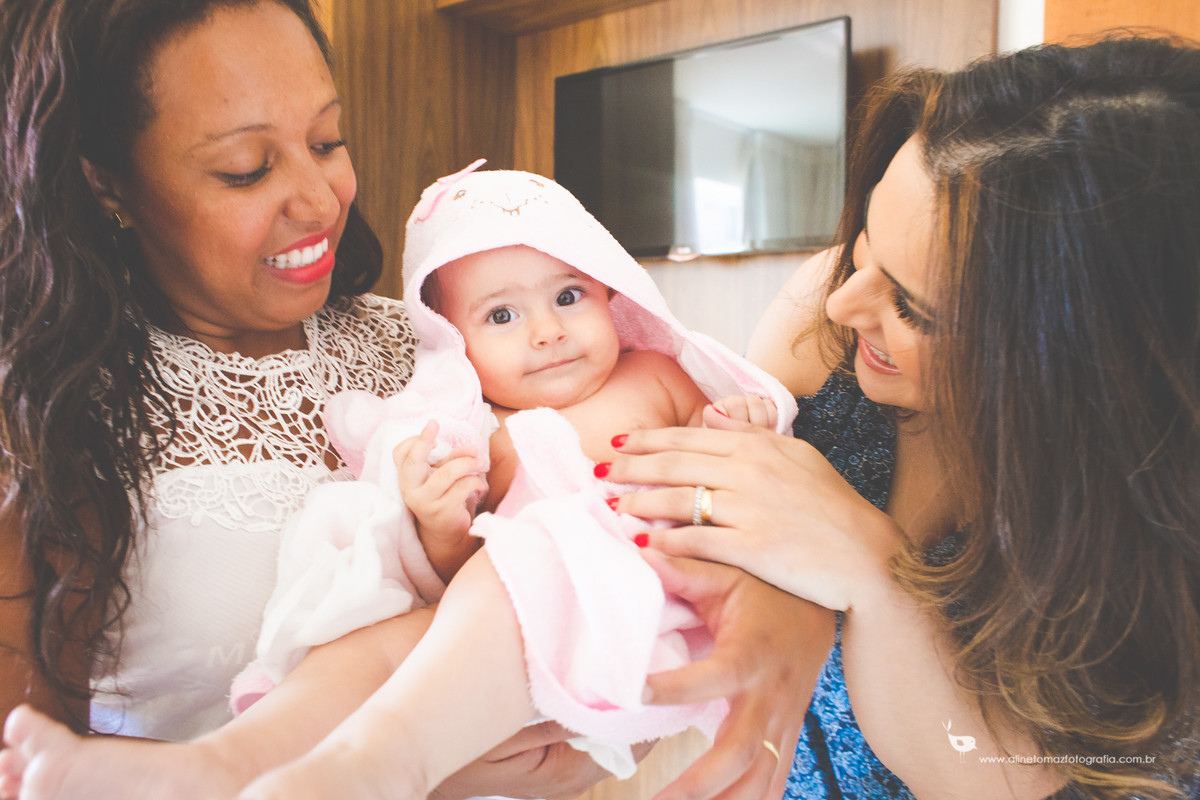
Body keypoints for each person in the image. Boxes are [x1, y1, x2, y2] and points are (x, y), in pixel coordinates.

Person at [0, 3, 754, 799]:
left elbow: (606, 575)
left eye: (327, 141)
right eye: (246, 168)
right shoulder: (49, 407)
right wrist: (422, 773)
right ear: (106, 178)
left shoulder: (444, 348)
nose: (321, 201)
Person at [596, 34, 1200, 800]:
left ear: (1076, 367)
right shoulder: (826, 318)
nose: (846, 305)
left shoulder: (1161, 528)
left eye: (914, 307)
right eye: (862, 249)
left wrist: (874, 574)